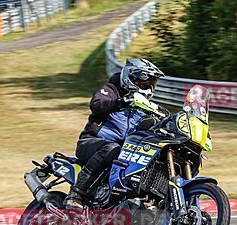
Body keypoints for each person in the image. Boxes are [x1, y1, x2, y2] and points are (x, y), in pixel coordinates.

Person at [64, 58, 165, 210]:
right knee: (112, 148)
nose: (148, 89)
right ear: (131, 77)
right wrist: (120, 102)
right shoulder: (111, 89)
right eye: (145, 84)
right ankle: (77, 193)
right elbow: (97, 104)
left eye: (152, 84)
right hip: (91, 142)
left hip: (122, 151)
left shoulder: (144, 106)